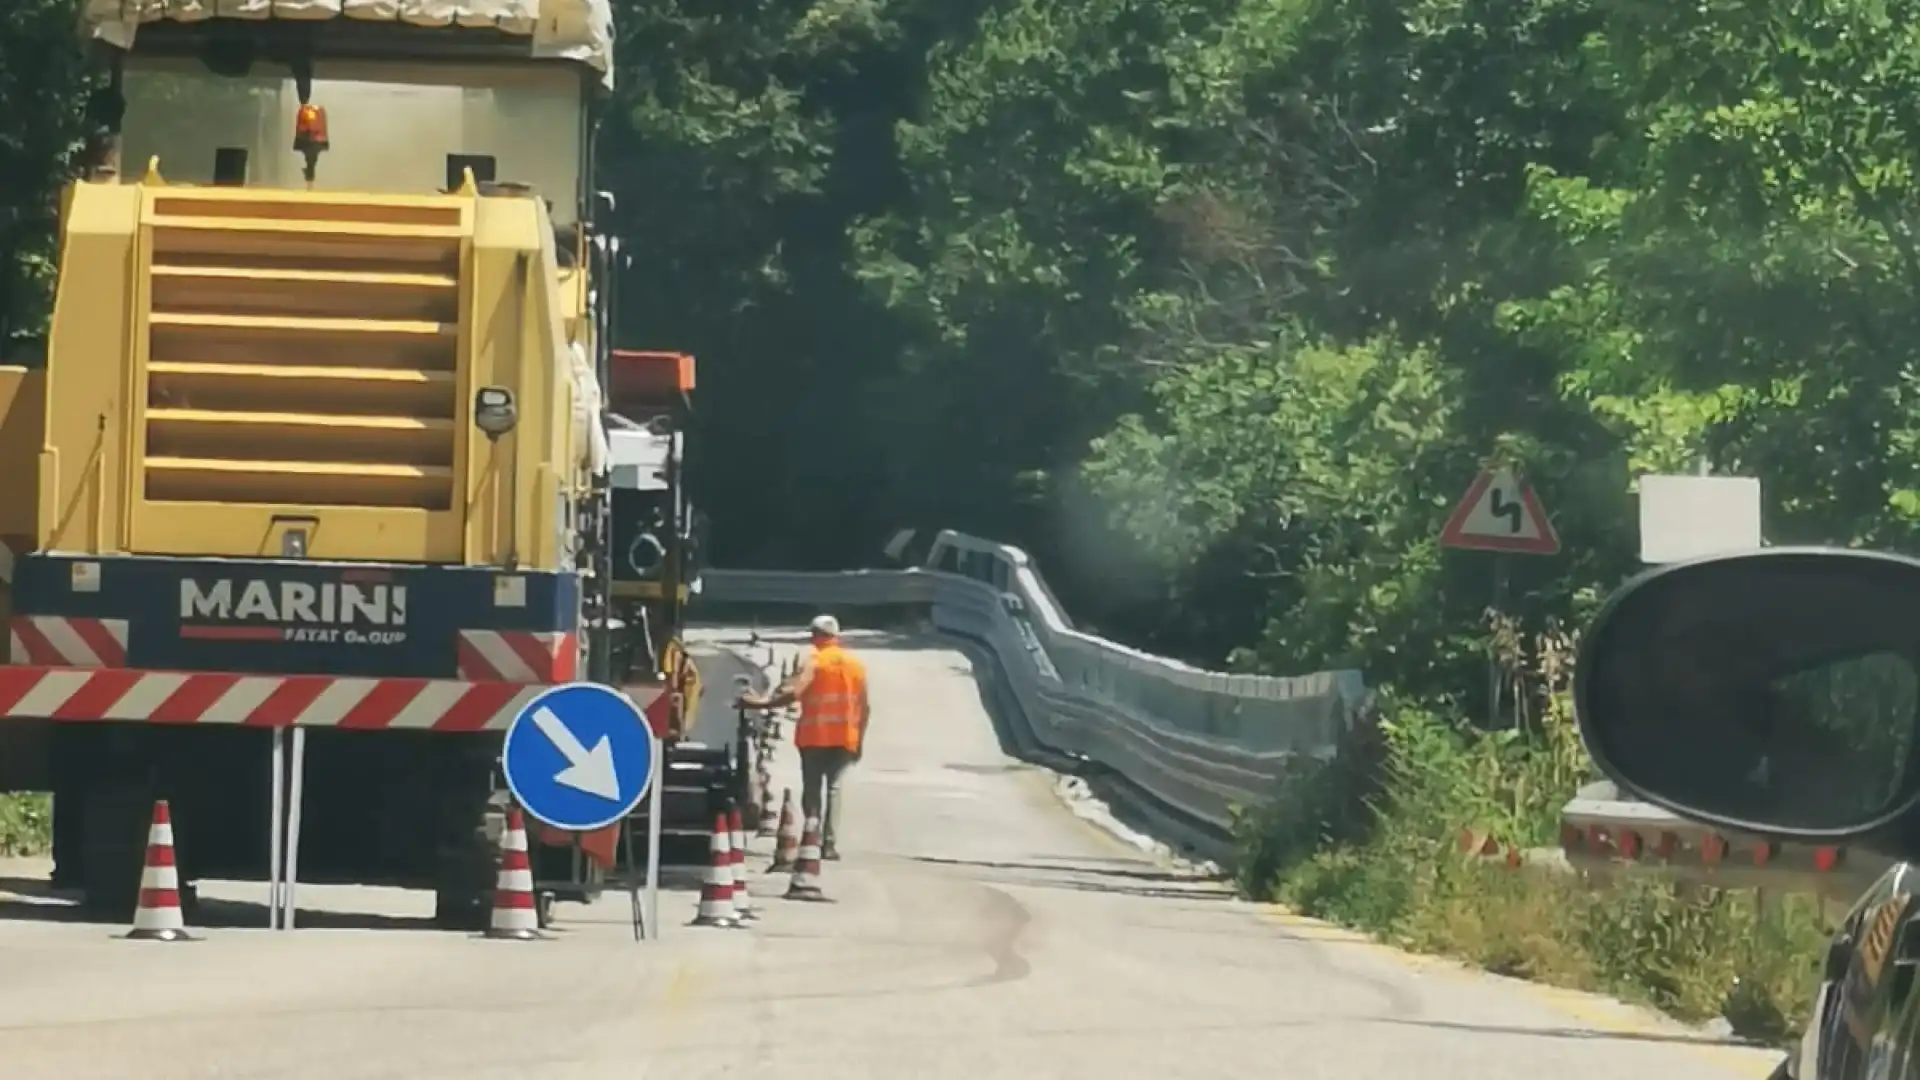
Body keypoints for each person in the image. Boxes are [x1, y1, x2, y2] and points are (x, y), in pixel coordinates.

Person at [735, 614, 869, 859]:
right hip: (846, 737)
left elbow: (794, 693)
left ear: (816, 635)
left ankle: (812, 836)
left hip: (815, 736)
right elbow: (865, 706)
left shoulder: (814, 662)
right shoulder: (855, 665)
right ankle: (829, 843)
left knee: (813, 788)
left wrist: (761, 703)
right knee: (835, 788)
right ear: (836, 636)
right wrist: (860, 738)